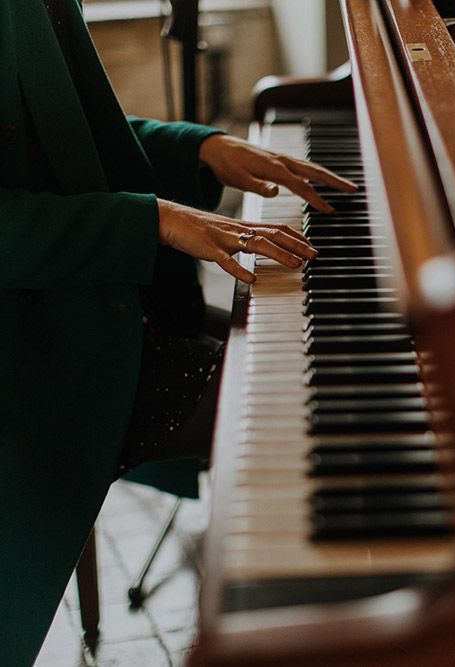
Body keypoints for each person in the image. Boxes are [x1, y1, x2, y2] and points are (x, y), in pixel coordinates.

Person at [0, 0, 357, 664]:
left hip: (90, 309)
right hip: (34, 356)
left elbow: (58, 134)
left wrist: (199, 146)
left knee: (336, 367)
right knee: (315, 415)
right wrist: (153, 219)